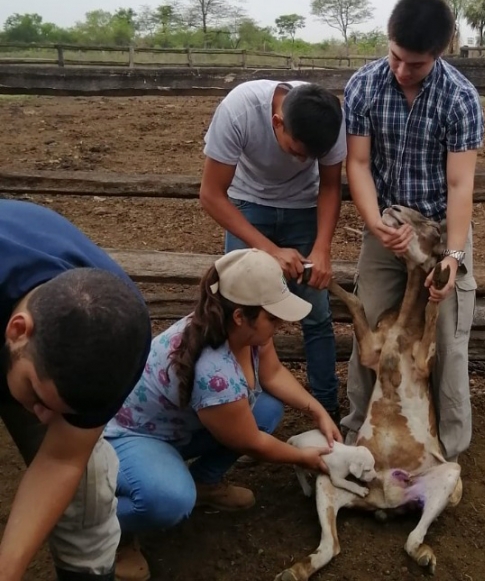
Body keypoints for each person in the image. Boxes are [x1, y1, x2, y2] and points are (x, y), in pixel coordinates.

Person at [104, 248, 341, 581]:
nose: (279, 324)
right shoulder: (215, 372)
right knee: (171, 500)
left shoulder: (241, 329)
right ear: (242, 316)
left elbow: (271, 375)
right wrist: (304, 458)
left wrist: (317, 410)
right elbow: (252, 443)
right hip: (129, 435)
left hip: (176, 427)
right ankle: (102, 526)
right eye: (272, 317)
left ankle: (203, 483)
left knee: (267, 408)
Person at [340, 0, 485, 462]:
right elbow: (358, 164)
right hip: (388, 225)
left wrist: (454, 257)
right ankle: (356, 439)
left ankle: (450, 453)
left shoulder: (460, 98)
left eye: (416, 64)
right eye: (396, 56)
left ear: (439, 54)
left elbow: (461, 184)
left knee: (447, 341)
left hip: (441, 228)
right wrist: (375, 224)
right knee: (370, 330)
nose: (402, 70)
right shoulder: (363, 86)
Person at [0, 199, 151, 581]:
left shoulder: (120, 339)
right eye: (37, 397)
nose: (45, 419)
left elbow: (62, 460)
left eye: (66, 412)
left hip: (33, 353)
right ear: (18, 332)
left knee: (88, 483)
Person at [200, 80, 346, 423]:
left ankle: (328, 410)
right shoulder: (239, 111)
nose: (302, 160)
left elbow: (328, 186)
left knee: (317, 313)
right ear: (277, 122)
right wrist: (269, 250)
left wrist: (322, 248)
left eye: (311, 157)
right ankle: (239, 409)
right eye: (297, 151)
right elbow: (211, 194)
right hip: (248, 203)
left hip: (303, 209)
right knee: (238, 308)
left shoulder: (331, 121)